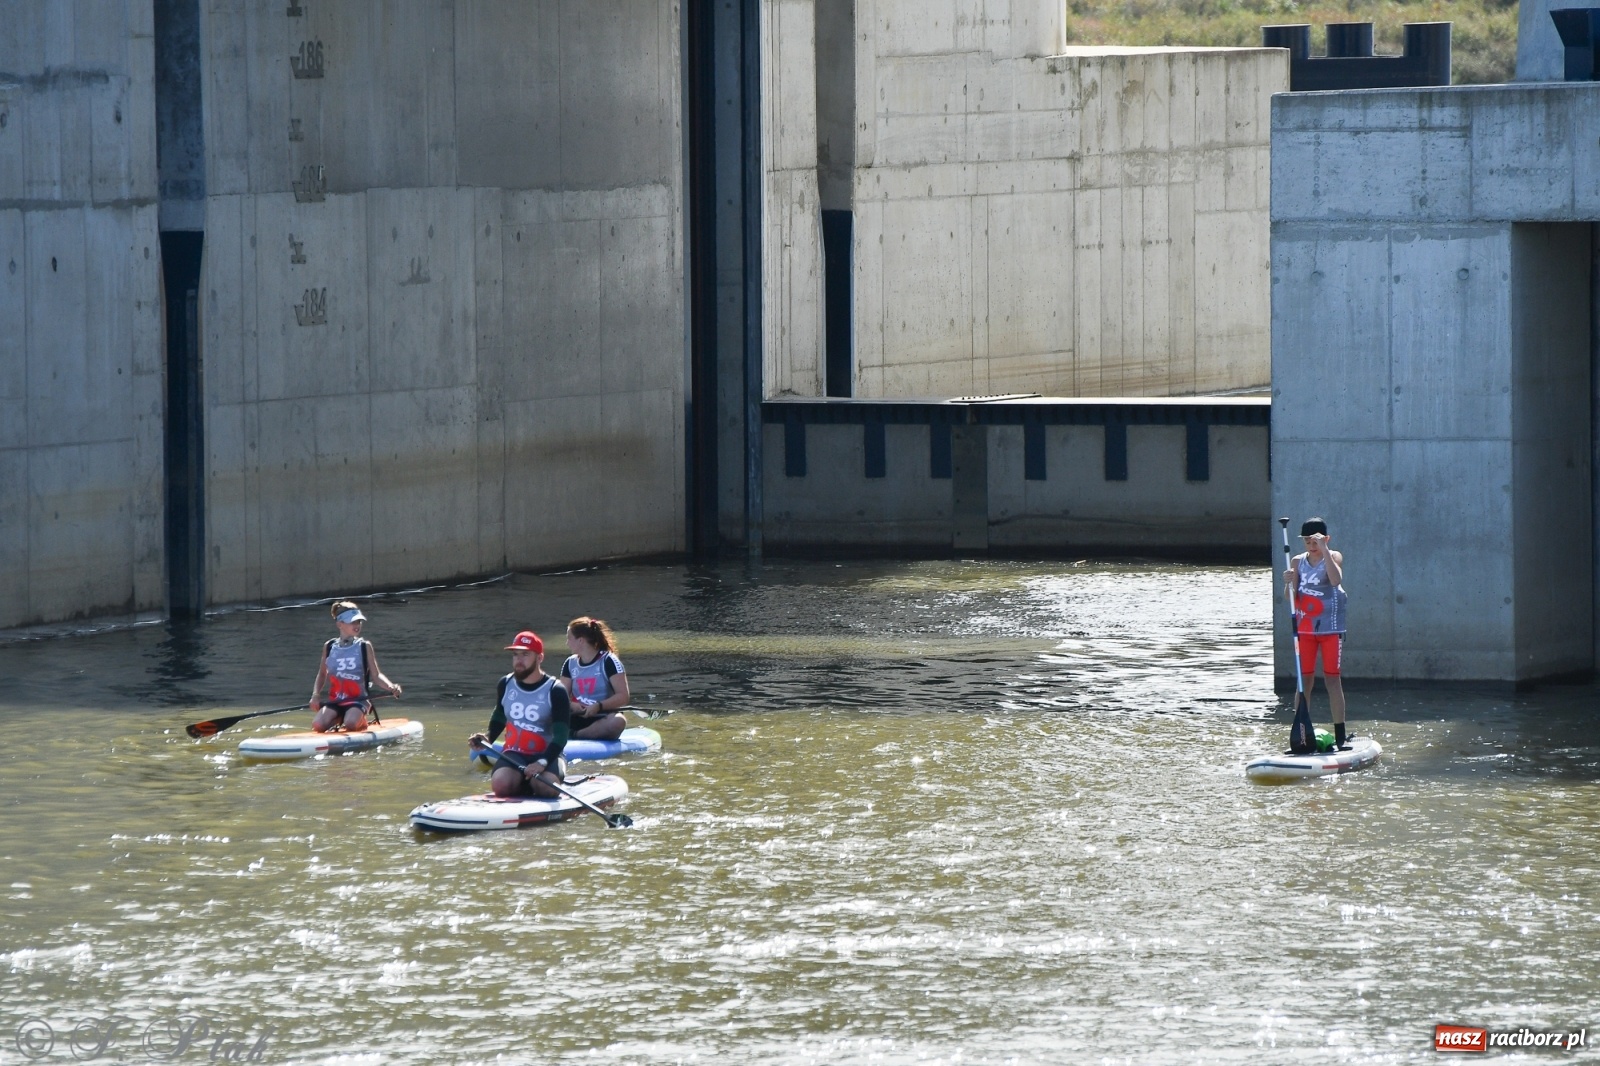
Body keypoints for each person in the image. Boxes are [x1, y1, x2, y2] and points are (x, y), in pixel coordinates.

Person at [469, 631, 571, 799]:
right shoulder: (505, 683)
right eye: (516, 654)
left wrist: (542, 763)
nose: (519, 660)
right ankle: (522, 783)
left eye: (525, 654)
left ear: (540, 658)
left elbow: (561, 736)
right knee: (501, 786)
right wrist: (487, 738)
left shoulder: (556, 690)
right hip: (515, 753)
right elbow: (500, 715)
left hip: (547, 755)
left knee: (546, 789)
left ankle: (536, 782)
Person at [1283, 517, 1349, 748]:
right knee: (1304, 682)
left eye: (1316, 541)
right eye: (1307, 541)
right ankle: (1301, 733)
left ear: (1326, 539)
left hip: (1331, 628)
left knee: (1332, 679)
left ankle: (1340, 735)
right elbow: (1290, 597)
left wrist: (1325, 549)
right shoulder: (1297, 561)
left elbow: (1335, 580)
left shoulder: (1334, 556)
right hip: (1306, 630)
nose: (1311, 545)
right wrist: (1288, 582)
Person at [308, 600, 402, 733]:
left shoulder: (364, 646)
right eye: (352, 622)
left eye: (358, 621)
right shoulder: (329, 646)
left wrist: (391, 687)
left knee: (351, 723)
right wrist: (315, 695)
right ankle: (339, 719)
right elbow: (322, 674)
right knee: (318, 725)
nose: (357, 625)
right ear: (339, 624)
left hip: (358, 700)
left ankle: (360, 722)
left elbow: (376, 675)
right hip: (336, 700)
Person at [558, 616, 631, 741]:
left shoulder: (609, 661)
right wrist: (571, 704)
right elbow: (560, 696)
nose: (567, 643)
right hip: (577, 715)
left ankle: (576, 735)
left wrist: (599, 706)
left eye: (569, 638)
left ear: (581, 641)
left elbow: (623, 696)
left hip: (602, 716)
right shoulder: (570, 663)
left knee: (618, 721)